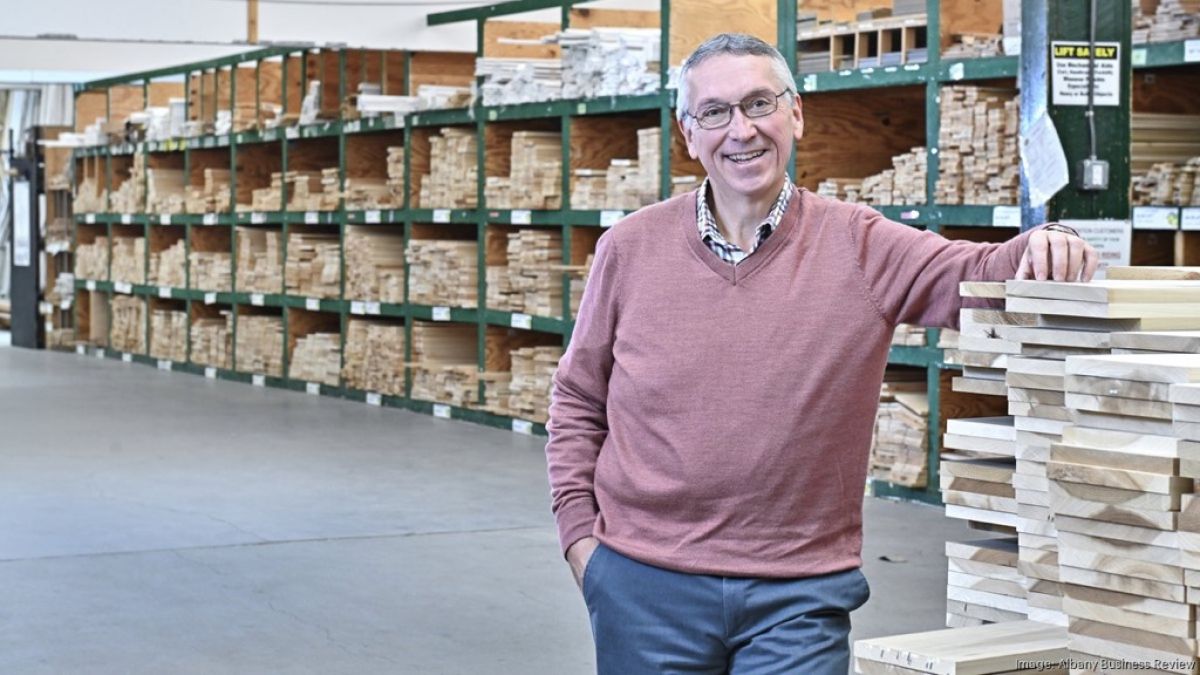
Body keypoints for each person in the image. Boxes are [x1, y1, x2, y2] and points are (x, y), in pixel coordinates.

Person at [545, 32, 1098, 674]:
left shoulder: (859, 245)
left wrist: (1048, 241)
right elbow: (579, 398)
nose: (741, 131)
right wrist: (580, 539)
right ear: (687, 132)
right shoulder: (630, 248)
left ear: (797, 113)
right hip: (644, 584)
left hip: (797, 594)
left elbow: (977, 275)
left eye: (759, 104)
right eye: (715, 112)